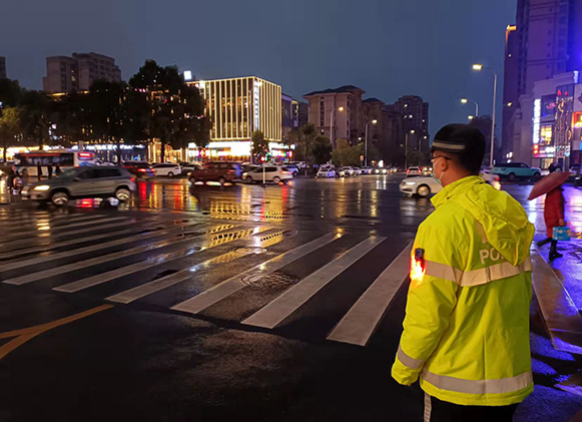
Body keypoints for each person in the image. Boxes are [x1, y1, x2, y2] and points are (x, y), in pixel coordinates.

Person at [392, 124, 535, 421]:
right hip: (509, 375)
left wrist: (404, 369)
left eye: (434, 159)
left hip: (456, 384)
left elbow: (428, 311)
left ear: (442, 162)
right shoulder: (510, 211)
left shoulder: (442, 225)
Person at [537, 184, 566, 260]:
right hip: (555, 217)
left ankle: (553, 252)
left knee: (555, 235)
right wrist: (560, 218)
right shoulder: (557, 192)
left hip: (549, 216)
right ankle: (541, 243)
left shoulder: (551, 191)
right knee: (554, 235)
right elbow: (557, 207)